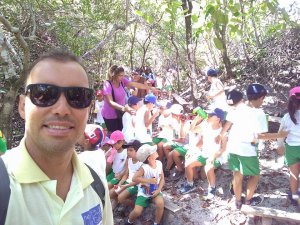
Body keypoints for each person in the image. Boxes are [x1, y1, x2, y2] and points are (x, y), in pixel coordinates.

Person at [1, 49, 113, 224]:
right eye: (43, 94)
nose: (61, 109)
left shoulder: (96, 184)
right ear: (23, 106)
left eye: (77, 96)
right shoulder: (4, 186)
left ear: (89, 110)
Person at [180, 108, 228, 197]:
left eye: (211, 115)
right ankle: (190, 184)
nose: (208, 116)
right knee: (188, 164)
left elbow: (223, 149)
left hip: (217, 156)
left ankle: (212, 189)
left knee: (208, 168)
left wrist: (213, 157)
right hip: (204, 154)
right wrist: (196, 119)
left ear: (218, 119)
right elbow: (193, 131)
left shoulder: (222, 133)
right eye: (208, 114)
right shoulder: (206, 126)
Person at [102, 65, 156, 134]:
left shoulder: (122, 81)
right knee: (115, 135)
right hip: (111, 115)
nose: (122, 77)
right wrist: (124, 109)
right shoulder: (107, 84)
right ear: (114, 75)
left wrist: (149, 88)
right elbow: (110, 102)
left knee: (122, 134)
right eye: (120, 75)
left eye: (123, 75)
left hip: (121, 113)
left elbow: (135, 84)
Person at [125, 144, 165, 225]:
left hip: (155, 190)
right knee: (136, 211)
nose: (156, 151)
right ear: (149, 158)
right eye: (153, 151)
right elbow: (134, 178)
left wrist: (158, 190)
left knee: (160, 203)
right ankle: (129, 221)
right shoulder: (144, 168)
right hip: (143, 192)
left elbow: (162, 179)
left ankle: (156, 223)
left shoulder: (159, 163)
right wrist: (148, 180)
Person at [276, 87, 300, 206]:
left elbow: (281, 134)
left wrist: (279, 145)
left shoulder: (287, 117)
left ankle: (295, 197)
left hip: (291, 149)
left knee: (294, 174)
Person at [110, 140, 143, 209]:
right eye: (127, 150)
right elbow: (126, 175)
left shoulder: (141, 163)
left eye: (131, 150)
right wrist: (120, 184)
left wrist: (125, 186)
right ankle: (117, 202)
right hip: (126, 182)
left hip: (135, 185)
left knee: (121, 197)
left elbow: (139, 180)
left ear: (138, 151)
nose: (128, 152)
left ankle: (133, 206)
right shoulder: (129, 160)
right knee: (110, 193)